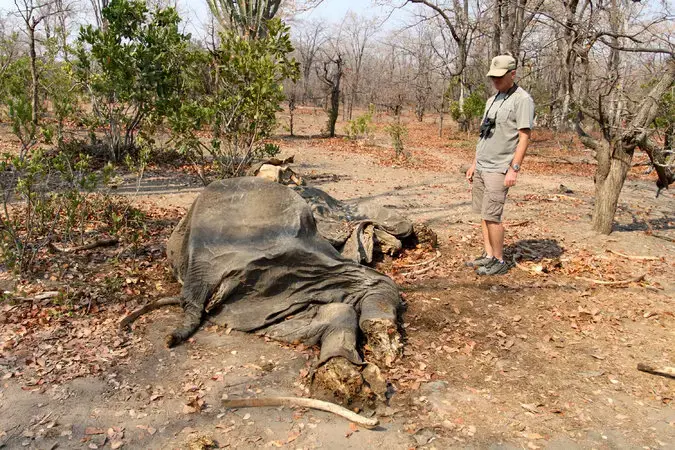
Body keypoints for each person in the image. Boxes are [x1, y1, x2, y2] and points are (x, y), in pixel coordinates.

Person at [465, 54, 534, 276]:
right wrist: (474, 163)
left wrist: (514, 169)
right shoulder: (491, 100)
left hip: (499, 167)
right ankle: (488, 256)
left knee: (493, 216)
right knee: (484, 214)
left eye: (499, 77)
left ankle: (499, 260)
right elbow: (483, 135)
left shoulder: (522, 100)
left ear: (512, 74)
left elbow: (524, 137)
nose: (495, 81)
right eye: (492, 77)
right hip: (483, 165)